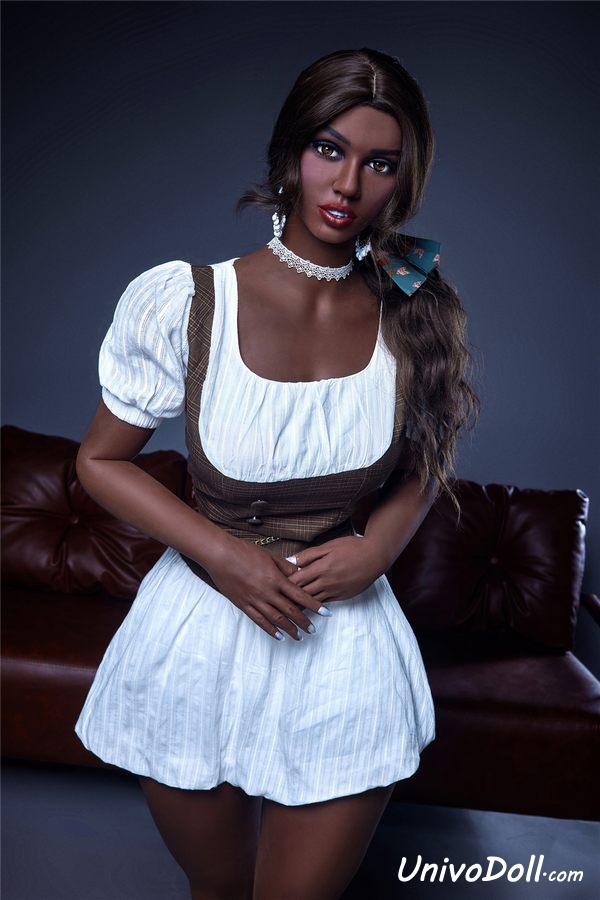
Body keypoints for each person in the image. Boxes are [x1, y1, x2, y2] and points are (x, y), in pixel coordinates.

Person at [73, 47, 480, 900]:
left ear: (404, 179)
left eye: (380, 163)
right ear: (291, 151)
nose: (348, 185)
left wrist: (377, 549)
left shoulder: (415, 305)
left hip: (345, 641)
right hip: (198, 634)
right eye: (330, 150)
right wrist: (225, 557)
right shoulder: (190, 301)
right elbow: (100, 461)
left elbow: (428, 455)